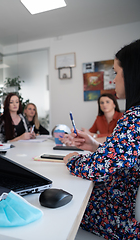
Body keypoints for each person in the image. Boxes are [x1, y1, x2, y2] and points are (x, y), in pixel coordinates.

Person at [63, 39, 140, 239]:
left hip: (119, 213)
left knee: (63, 206)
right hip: (121, 201)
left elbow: (98, 167)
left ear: (132, 73)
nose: (114, 80)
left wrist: (72, 160)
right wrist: (96, 146)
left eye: (116, 73)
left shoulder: (134, 118)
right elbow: (122, 157)